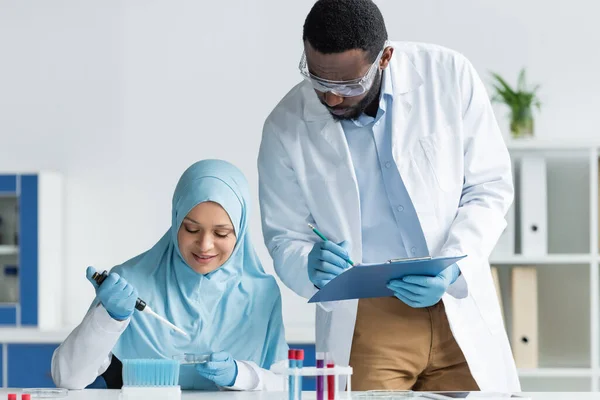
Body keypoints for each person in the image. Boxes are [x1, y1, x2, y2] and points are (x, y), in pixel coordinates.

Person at [257, 0, 519, 392]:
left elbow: (489, 186)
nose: (330, 99)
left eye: (347, 85)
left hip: (455, 301)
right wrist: (307, 263)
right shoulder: (285, 126)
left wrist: (453, 266)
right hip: (368, 317)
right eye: (318, 80)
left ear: (385, 58)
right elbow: (284, 236)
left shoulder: (448, 76)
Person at [52, 160, 288, 391]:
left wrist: (241, 375)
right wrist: (108, 318)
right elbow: (67, 378)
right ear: (175, 221)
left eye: (221, 233)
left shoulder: (262, 293)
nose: (205, 245)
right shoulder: (129, 283)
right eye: (191, 229)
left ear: (241, 231)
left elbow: (284, 383)